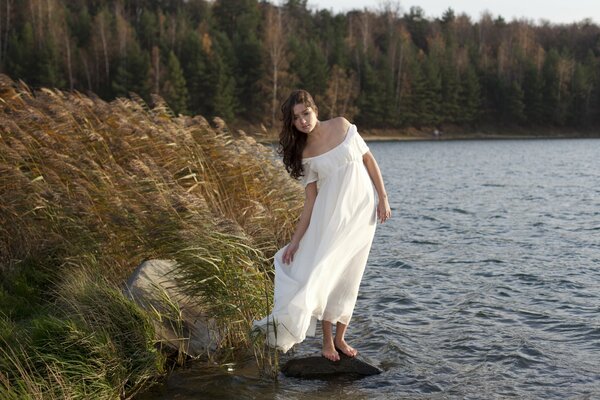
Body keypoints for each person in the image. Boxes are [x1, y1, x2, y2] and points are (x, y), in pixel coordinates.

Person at [254, 89, 391, 362]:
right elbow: (310, 201)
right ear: (292, 123)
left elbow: (368, 159)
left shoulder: (342, 125)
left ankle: (341, 338)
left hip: (362, 215)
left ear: (315, 109)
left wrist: (383, 198)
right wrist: (295, 242)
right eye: (296, 118)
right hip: (330, 220)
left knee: (351, 275)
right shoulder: (305, 153)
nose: (303, 121)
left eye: (306, 113)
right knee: (327, 274)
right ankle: (327, 342)